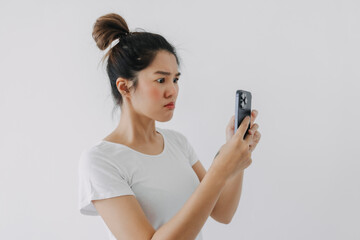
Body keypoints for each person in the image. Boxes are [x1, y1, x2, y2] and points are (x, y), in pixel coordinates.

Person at [78, 12, 261, 240]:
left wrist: (237, 154)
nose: (172, 90)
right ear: (124, 87)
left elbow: (223, 212)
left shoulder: (177, 143)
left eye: (175, 79)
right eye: (161, 80)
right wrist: (220, 169)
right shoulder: (101, 161)